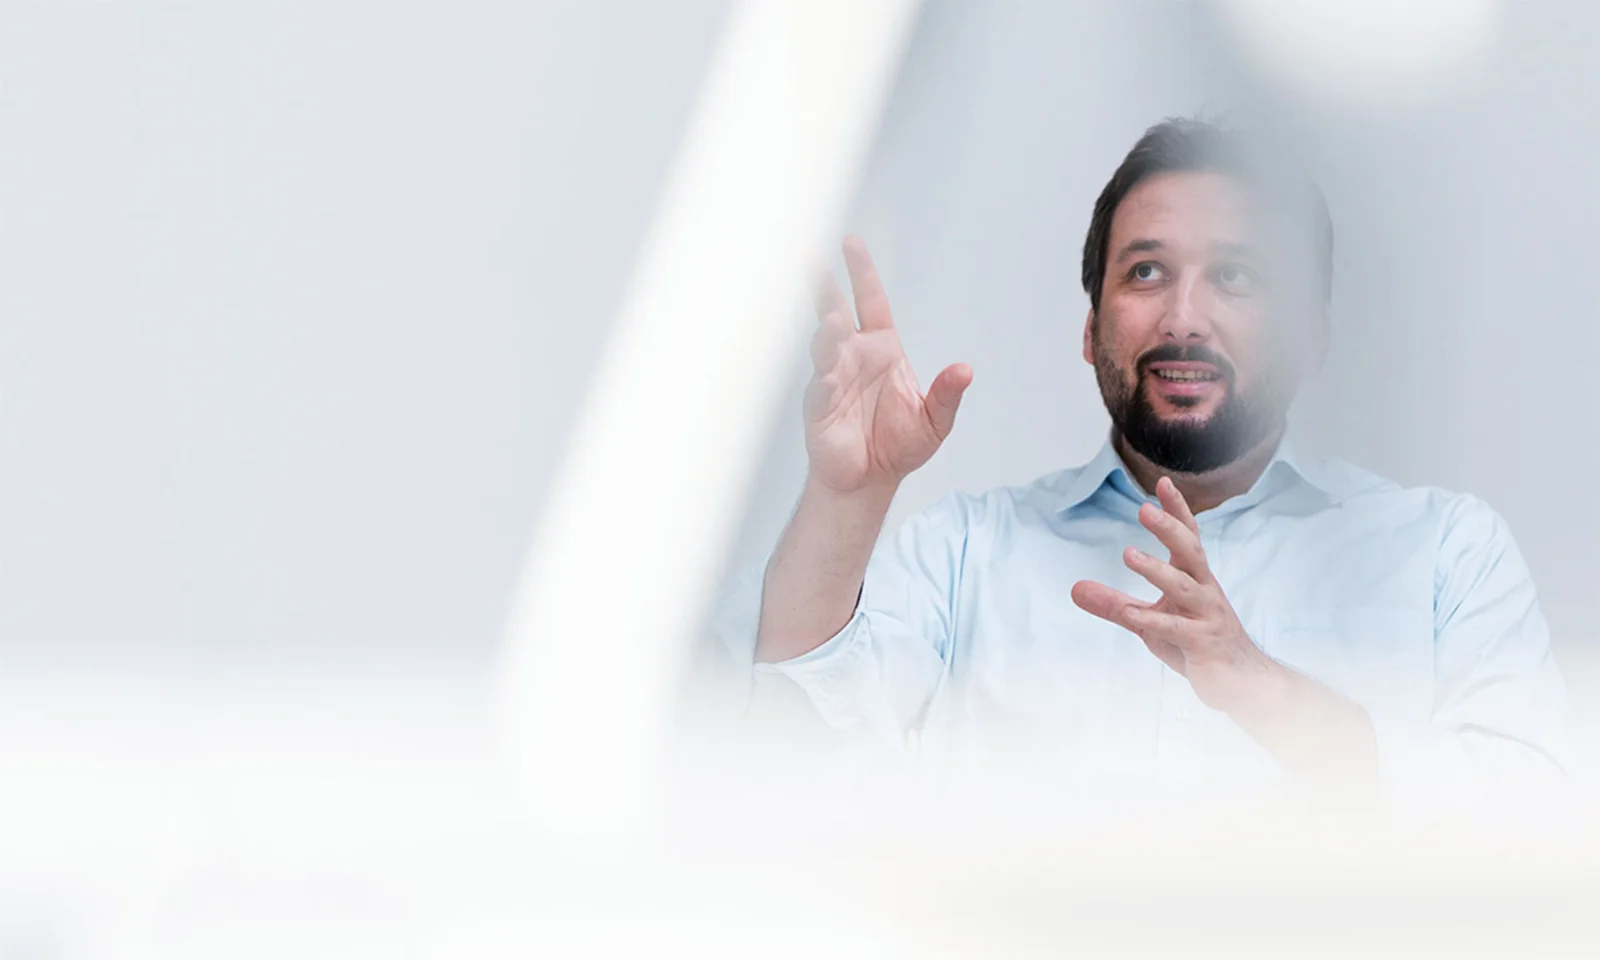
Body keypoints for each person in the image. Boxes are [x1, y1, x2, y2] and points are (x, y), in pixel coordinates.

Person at [713, 118, 1569, 821]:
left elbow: (1534, 828)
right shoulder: (962, 553)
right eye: (1147, 272)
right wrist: (846, 498)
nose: (1183, 317)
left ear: (1313, 336)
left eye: (1236, 275)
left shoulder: (1445, 554)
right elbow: (786, 767)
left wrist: (1260, 688)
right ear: (1091, 332)